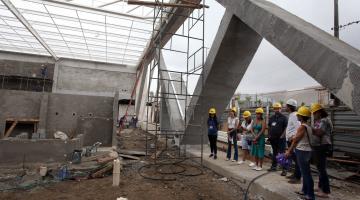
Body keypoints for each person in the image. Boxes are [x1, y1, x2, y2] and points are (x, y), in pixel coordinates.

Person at [286, 106, 315, 200]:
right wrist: (294, 137)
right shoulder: (308, 126)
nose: (297, 115)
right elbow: (299, 137)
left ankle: (310, 195)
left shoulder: (302, 127)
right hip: (306, 151)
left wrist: (289, 151)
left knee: (306, 174)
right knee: (305, 172)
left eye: (299, 114)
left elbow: (295, 141)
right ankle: (304, 191)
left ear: (301, 117)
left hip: (302, 151)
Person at [311, 103, 333, 198]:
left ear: (319, 112)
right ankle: (320, 187)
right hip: (318, 146)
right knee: (320, 168)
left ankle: (326, 191)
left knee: (322, 169)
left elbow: (319, 132)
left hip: (322, 146)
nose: (313, 115)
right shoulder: (319, 120)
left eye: (315, 113)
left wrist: (309, 128)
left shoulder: (324, 120)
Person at [268, 103, 288, 175]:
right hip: (273, 139)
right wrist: (269, 135)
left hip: (281, 139)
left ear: (281, 109)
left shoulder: (284, 118)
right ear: (274, 109)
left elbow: (286, 127)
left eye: (278, 108)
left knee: (281, 154)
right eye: (275, 109)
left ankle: (284, 169)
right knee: (275, 153)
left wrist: (282, 135)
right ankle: (274, 166)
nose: (277, 110)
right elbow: (270, 126)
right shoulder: (272, 118)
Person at [285, 99, 302, 183]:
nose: (285, 107)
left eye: (286, 106)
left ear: (290, 107)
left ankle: (298, 177)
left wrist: (293, 136)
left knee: (297, 159)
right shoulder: (291, 115)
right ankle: (295, 174)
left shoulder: (295, 115)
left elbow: (299, 128)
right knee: (294, 158)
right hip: (290, 140)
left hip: (293, 141)